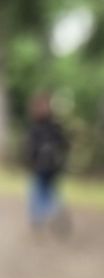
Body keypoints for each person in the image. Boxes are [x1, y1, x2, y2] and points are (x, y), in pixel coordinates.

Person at [25, 92, 70, 234]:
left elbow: (64, 144)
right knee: (38, 194)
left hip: (51, 167)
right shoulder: (35, 128)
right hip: (39, 167)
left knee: (50, 194)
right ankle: (39, 220)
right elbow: (30, 148)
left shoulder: (54, 127)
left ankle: (53, 217)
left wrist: (59, 159)